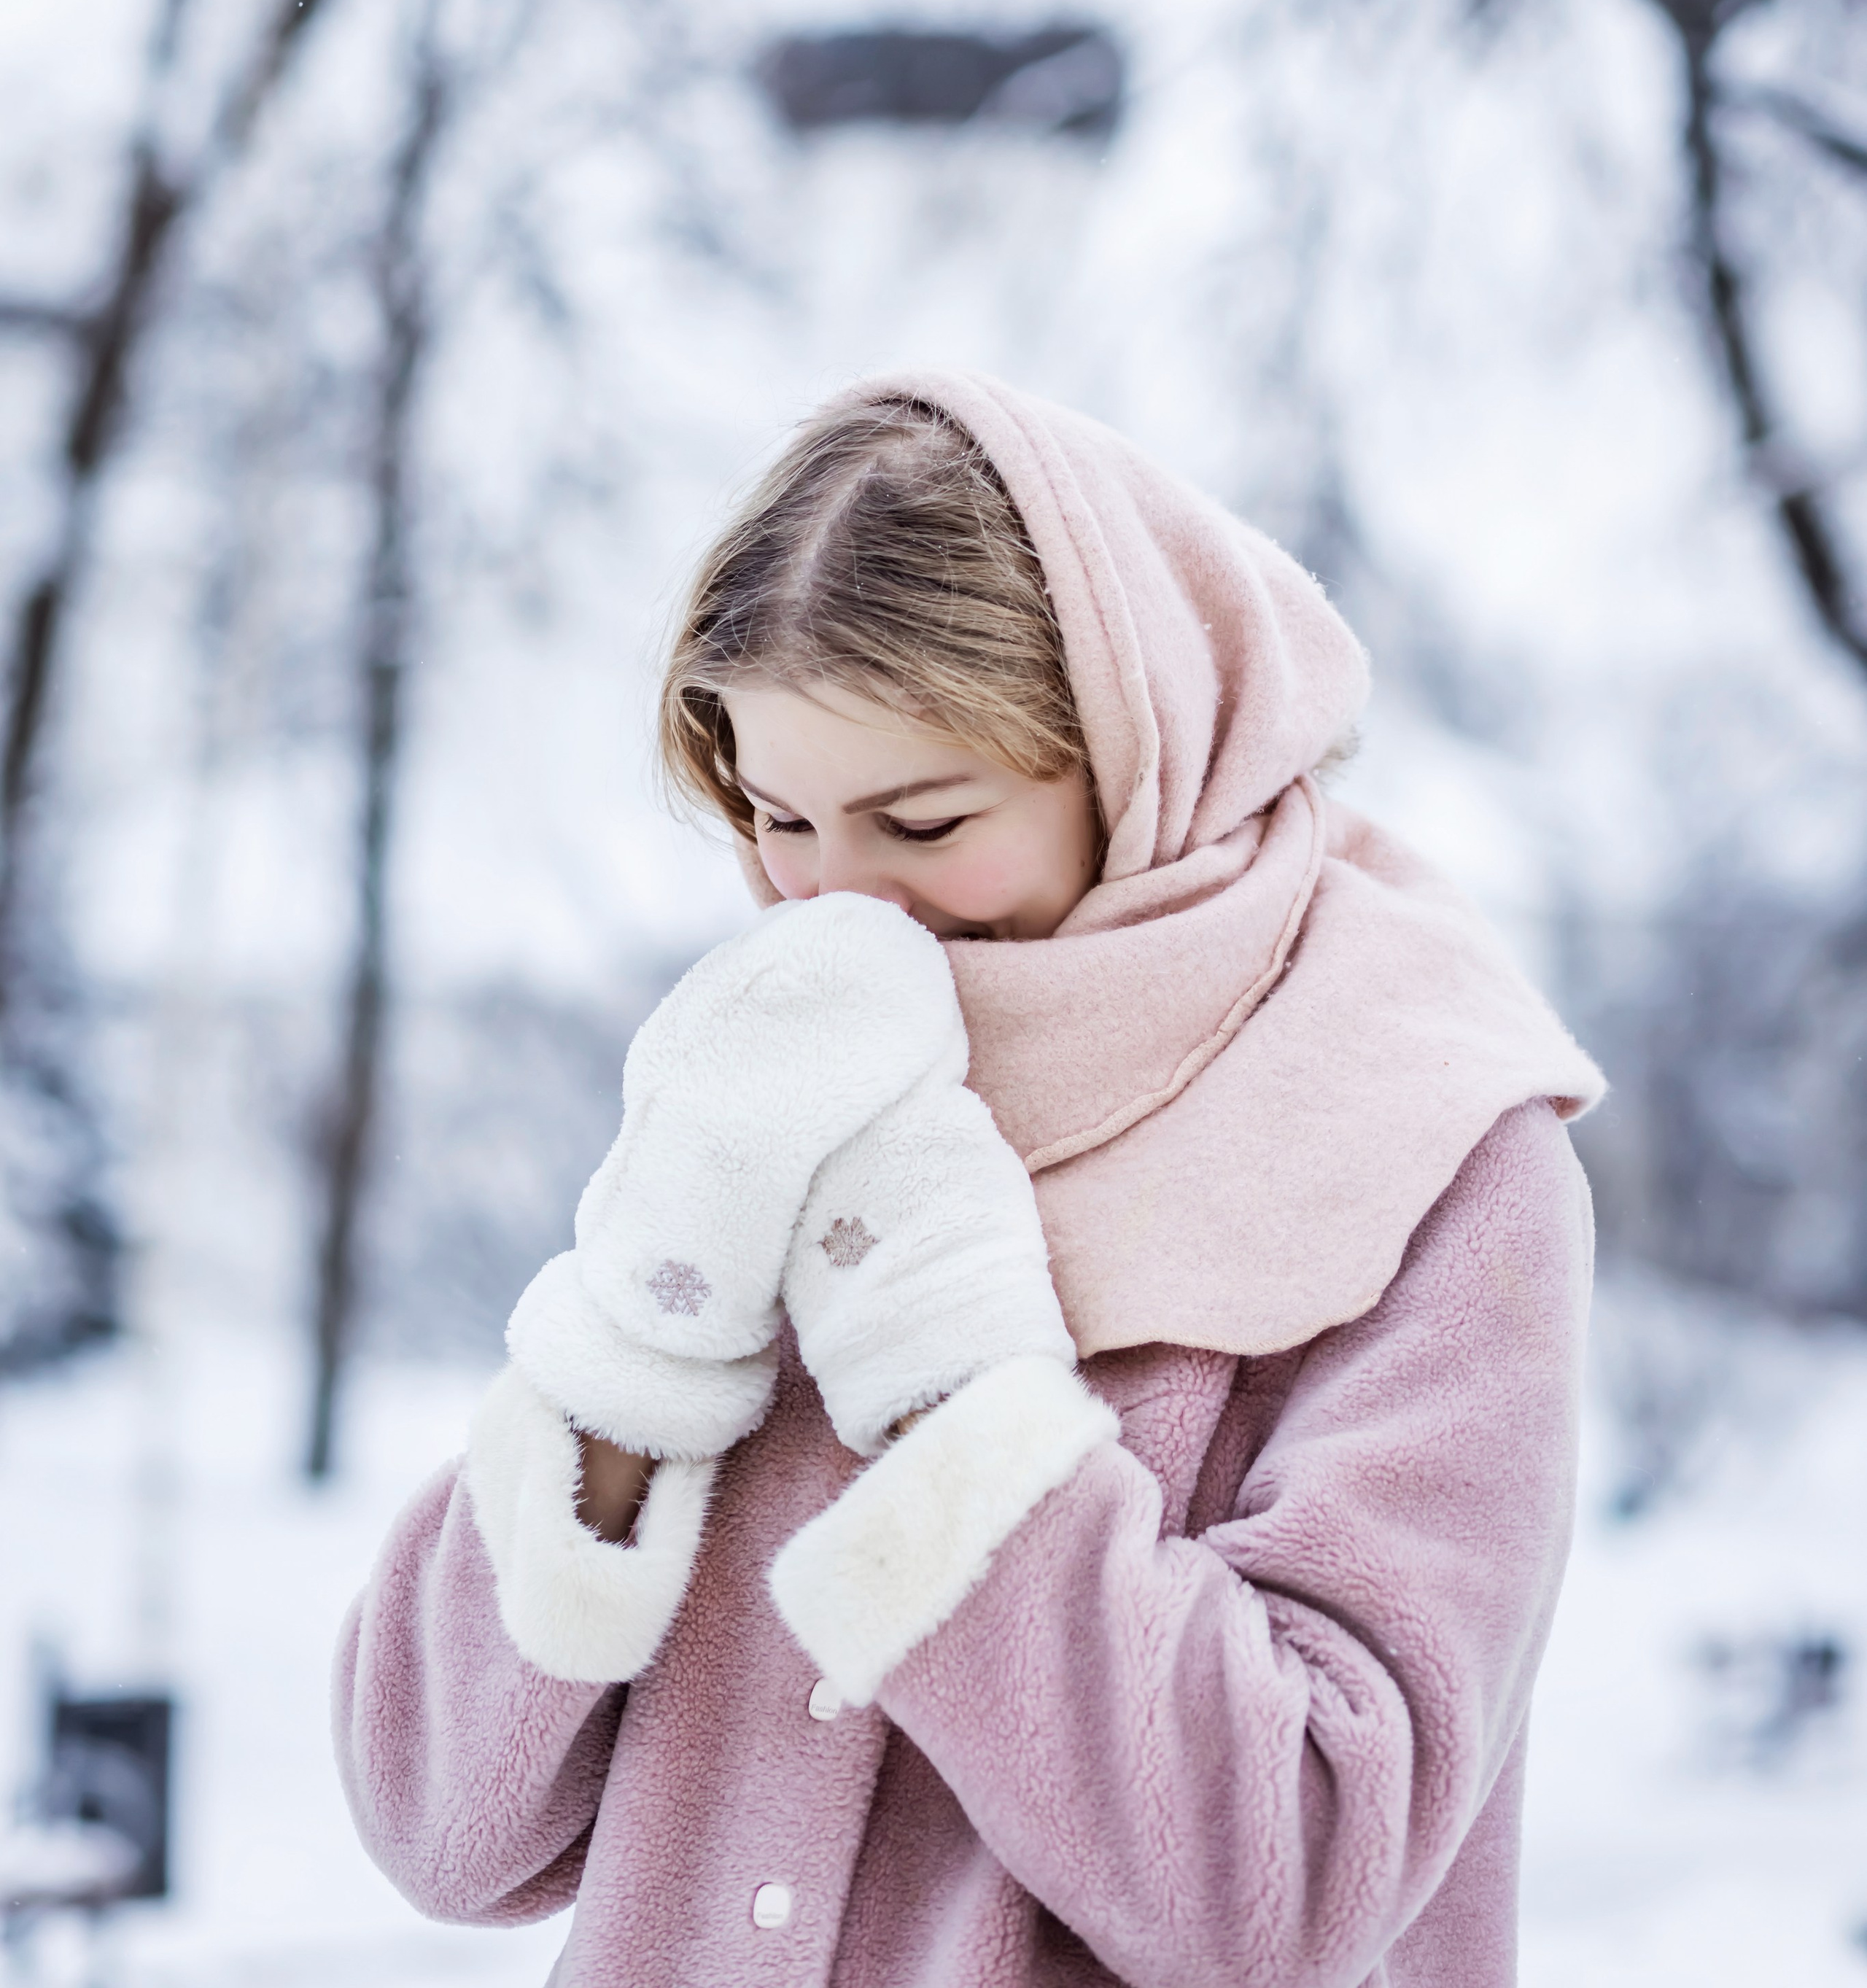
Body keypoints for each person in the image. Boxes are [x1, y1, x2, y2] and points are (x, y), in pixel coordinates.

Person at [333, 371, 1603, 1988]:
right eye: (778, 818)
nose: (838, 905)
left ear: (1139, 757)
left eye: (923, 820)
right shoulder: (772, 1081)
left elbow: (1278, 1890)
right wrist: (637, 1329)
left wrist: (937, 1360)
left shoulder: (1430, 1147)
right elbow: (441, 1826)